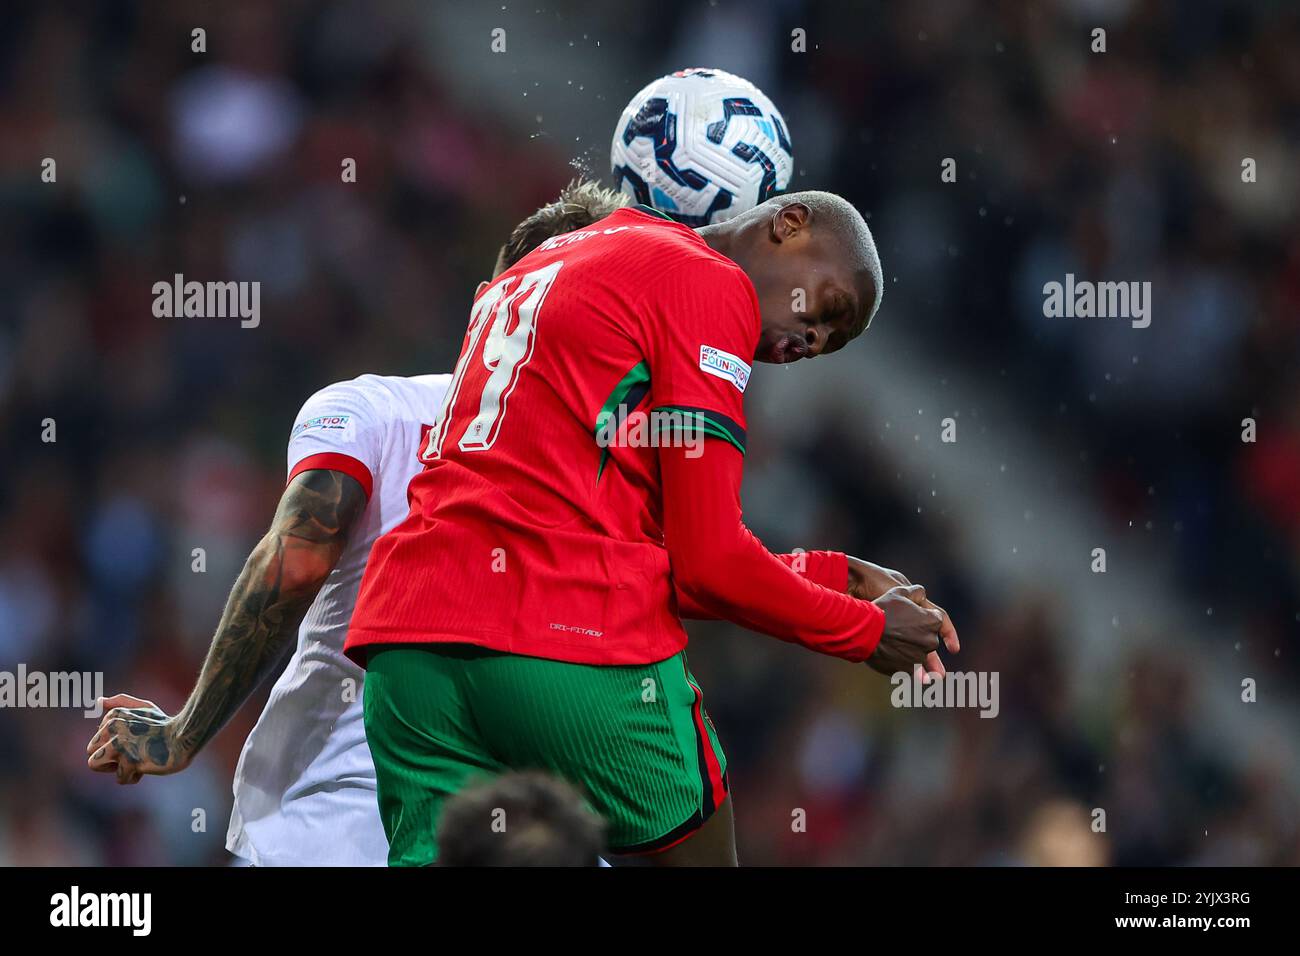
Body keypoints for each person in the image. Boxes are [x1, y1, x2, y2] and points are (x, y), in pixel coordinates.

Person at [346, 191, 960, 866]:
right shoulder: (709, 282)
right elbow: (712, 563)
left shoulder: (558, 254)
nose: (813, 340)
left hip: (410, 643)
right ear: (789, 224)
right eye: (829, 309)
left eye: (828, 344)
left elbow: (628, 543)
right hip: (562, 643)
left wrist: (832, 575)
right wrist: (867, 632)